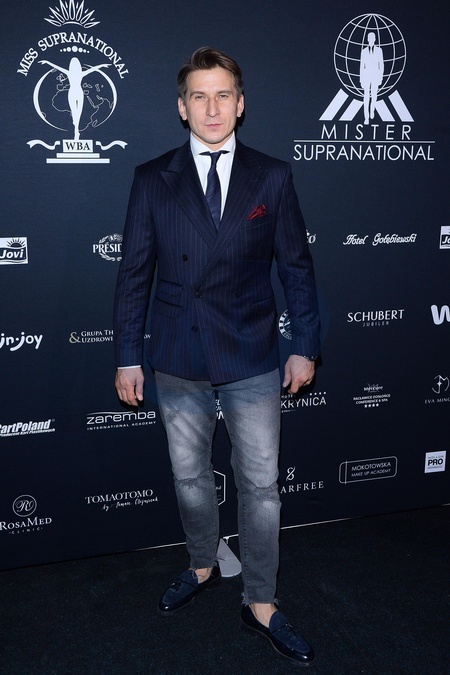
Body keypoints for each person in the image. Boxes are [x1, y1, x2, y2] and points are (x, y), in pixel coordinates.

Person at [114, 47, 320, 666]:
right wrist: (128, 356)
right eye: (199, 96)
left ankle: (261, 601)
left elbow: (296, 268)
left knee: (261, 486)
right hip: (178, 353)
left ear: (240, 103)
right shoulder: (153, 178)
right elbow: (134, 275)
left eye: (223, 95)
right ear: (182, 107)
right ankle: (203, 563)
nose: (212, 108)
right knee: (189, 479)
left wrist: (304, 345)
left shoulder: (272, 176)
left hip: (252, 353)